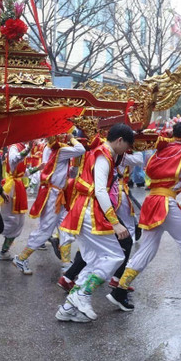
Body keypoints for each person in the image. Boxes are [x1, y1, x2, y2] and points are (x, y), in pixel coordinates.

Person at [108, 121, 181, 312]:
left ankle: (120, 290)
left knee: (147, 249)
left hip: (152, 201)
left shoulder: (161, 150)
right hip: (165, 202)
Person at [55, 124, 133, 324]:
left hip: (87, 209)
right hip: (90, 210)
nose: (126, 152)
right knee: (115, 256)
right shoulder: (103, 155)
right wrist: (115, 223)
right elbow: (100, 191)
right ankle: (83, 294)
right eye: (127, 146)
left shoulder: (103, 154)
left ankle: (67, 308)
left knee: (94, 260)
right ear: (119, 141)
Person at [12, 133, 85, 275]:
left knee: (65, 228)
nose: (64, 136)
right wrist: (71, 137)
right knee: (45, 230)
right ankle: (21, 258)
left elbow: (69, 172)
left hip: (58, 195)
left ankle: (65, 263)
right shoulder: (60, 150)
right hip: (53, 196)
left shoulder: (52, 148)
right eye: (62, 134)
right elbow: (80, 149)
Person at [0, 142, 30, 260]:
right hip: (11, 189)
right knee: (12, 221)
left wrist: (38, 168)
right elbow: (13, 161)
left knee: (18, 222)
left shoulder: (22, 147)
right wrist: (28, 149)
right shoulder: (14, 147)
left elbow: (23, 172)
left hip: (18, 187)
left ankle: (4, 251)